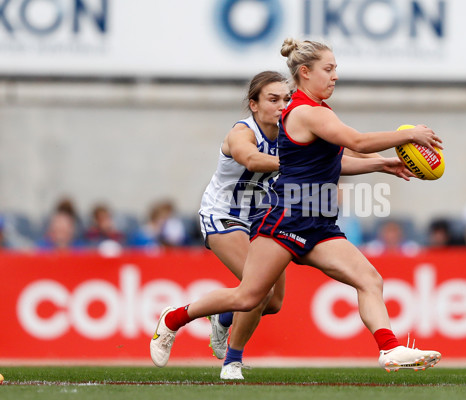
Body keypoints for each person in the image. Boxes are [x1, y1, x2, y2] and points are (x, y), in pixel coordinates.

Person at [151, 38, 443, 375]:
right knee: (250, 297)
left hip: (318, 222)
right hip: (285, 219)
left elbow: (335, 163)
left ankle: (390, 350)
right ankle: (173, 318)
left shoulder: (318, 112)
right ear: (305, 72)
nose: (335, 76)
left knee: (369, 279)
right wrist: (407, 135)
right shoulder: (305, 111)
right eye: (328, 69)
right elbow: (358, 142)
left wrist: (382, 165)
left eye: (336, 70)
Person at [197, 71, 291, 379]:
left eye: (286, 99)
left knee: (274, 302)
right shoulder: (242, 132)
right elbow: (251, 159)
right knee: (257, 290)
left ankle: (223, 315)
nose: (281, 106)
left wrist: (382, 161)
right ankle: (231, 362)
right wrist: (302, 163)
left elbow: (342, 150)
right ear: (253, 104)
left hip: (260, 219)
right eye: (273, 99)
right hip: (223, 213)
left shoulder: (293, 133)